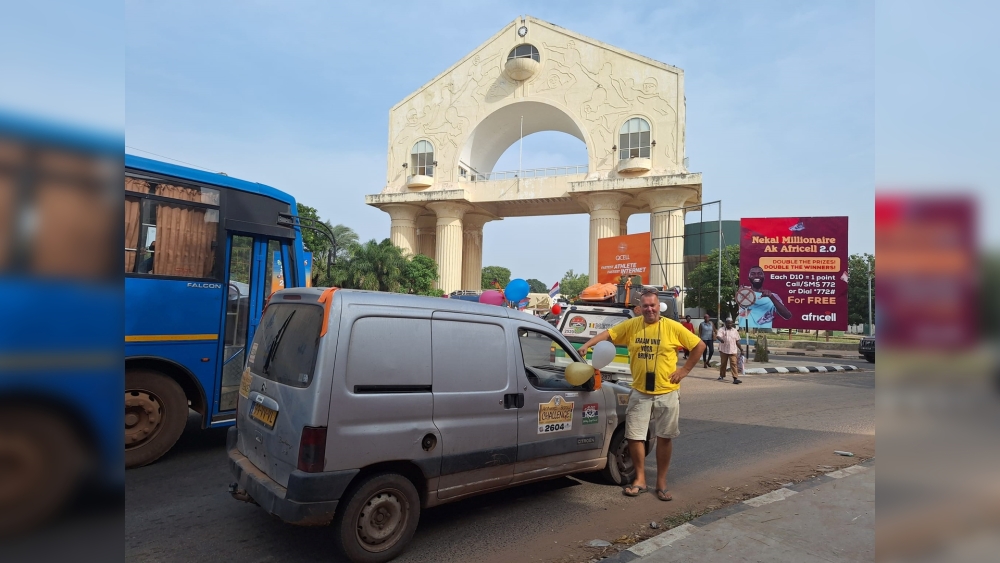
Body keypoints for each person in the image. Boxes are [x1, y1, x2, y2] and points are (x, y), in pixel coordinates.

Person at [579, 290, 706, 501]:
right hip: (640, 391)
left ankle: (661, 483)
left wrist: (684, 371)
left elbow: (699, 345)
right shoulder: (632, 325)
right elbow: (609, 335)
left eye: (653, 305)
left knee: (665, 437)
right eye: (645, 306)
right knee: (635, 436)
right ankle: (640, 479)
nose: (649, 309)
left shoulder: (672, 327)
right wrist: (586, 345)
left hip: (667, 391)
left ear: (659, 306)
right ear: (640, 308)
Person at [716, 317, 743, 384]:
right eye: (728, 323)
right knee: (723, 364)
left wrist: (741, 349)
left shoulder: (735, 331)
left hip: (733, 350)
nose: (729, 325)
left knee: (733, 364)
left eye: (731, 323)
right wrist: (721, 339)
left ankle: (735, 378)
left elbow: (737, 341)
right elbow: (718, 336)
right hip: (723, 350)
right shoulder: (722, 329)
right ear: (725, 323)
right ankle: (721, 375)